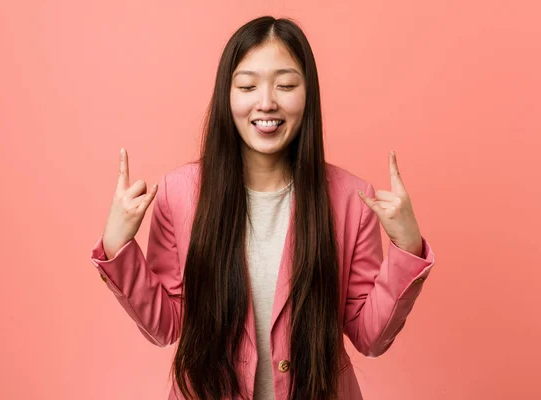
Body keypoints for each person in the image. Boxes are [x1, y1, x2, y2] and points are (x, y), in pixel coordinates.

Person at [90, 15, 435, 400]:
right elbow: (167, 325)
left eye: (286, 85)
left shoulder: (351, 198)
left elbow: (370, 337)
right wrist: (117, 247)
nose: (267, 102)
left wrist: (407, 248)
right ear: (228, 95)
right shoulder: (179, 193)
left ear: (308, 95)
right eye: (248, 85)